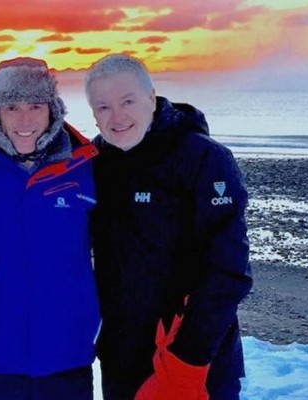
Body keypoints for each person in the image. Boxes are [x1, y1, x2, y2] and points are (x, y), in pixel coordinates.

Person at [84, 54, 253, 400]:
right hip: (123, 361)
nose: (116, 117)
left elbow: (229, 271)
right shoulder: (97, 164)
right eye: (103, 107)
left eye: (127, 101)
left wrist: (186, 362)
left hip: (197, 362)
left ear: (152, 97)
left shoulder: (203, 159)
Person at [0, 57, 101, 400]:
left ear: (53, 110)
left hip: (67, 357)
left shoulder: (84, 167)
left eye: (36, 106)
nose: (25, 119)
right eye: (11, 106)